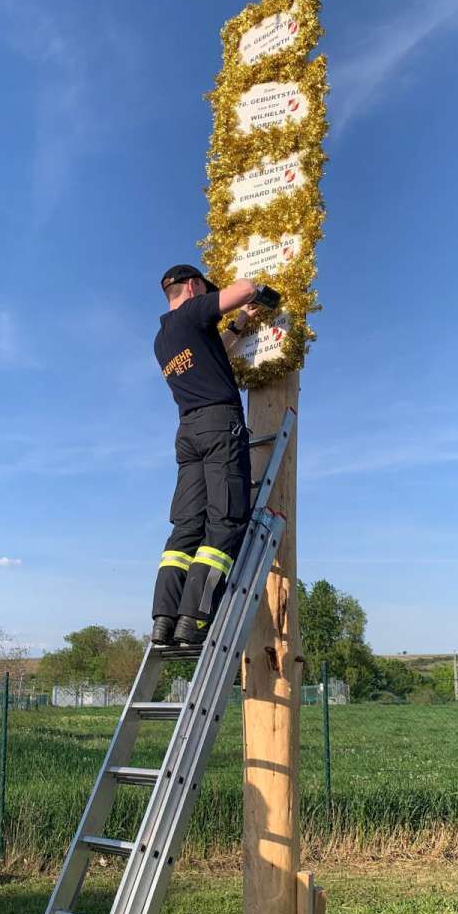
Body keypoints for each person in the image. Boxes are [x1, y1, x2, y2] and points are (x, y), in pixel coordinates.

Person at [150, 264, 261, 646]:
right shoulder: (194, 310)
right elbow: (245, 288)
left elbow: (214, 354)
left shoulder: (163, 338)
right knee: (225, 520)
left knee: (186, 527)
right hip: (219, 424)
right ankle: (196, 619)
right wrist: (262, 288)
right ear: (194, 286)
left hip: (188, 432)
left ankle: (164, 620)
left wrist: (238, 326)